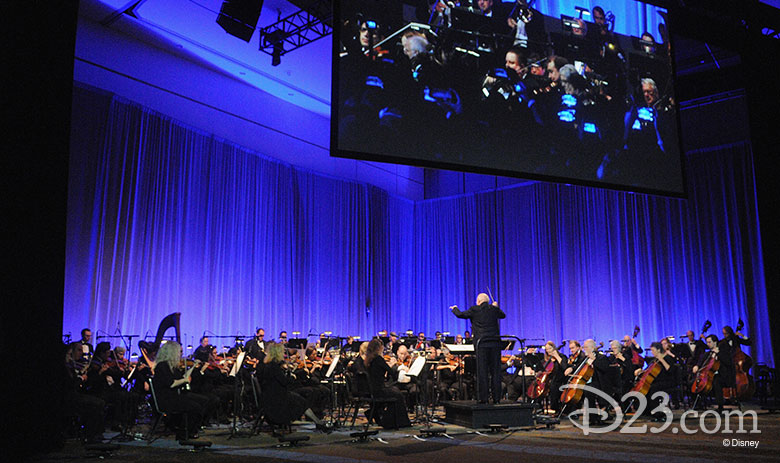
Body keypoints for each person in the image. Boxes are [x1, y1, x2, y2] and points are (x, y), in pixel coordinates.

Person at [259, 342, 331, 432]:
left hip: (271, 394)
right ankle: (318, 422)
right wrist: (292, 376)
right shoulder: (274, 366)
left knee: (300, 398)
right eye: (282, 352)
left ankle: (317, 422)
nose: (283, 354)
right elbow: (285, 382)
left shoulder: (269, 364)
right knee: (301, 401)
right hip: (277, 397)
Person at [450, 293, 506, 403]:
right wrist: (496, 307)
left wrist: (455, 308)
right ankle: (497, 399)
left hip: (481, 344)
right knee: (496, 372)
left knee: (482, 372)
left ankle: (483, 399)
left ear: (479, 301)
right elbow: (503, 315)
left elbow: (461, 315)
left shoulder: (474, 309)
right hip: (494, 344)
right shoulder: (493, 309)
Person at [151, 341, 206, 440]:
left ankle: (192, 429)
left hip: (174, 396)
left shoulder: (173, 367)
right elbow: (172, 383)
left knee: (202, 401)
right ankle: (183, 433)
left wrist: (193, 367)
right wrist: (184, 380)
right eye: (179, 352)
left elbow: (184, 377)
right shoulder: (162, 366)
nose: (181, 354)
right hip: (166, 399)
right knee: (195, 407)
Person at [364, 338, 411, 428]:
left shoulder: (369, 359)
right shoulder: (378, 359)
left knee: (395, 392)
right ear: (379, 348)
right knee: (398, 395)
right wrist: (393, 365)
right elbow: (392, 372)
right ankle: (399, 422)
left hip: (373, 389)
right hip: (380, 390)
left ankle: (386, 418)